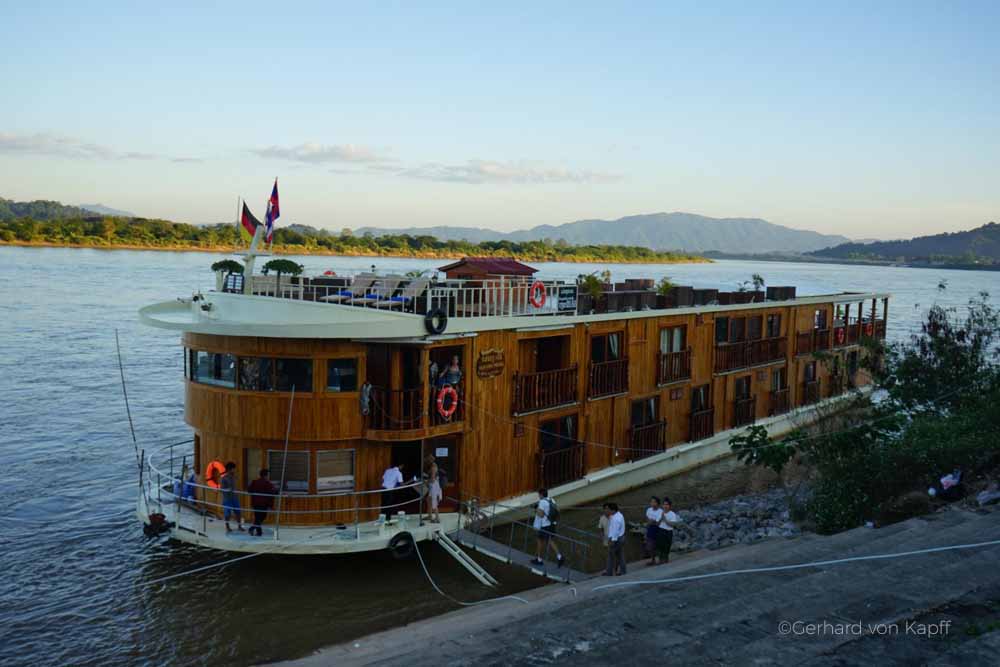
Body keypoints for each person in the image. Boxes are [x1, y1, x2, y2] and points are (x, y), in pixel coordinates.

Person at [531, 489, 564, 567]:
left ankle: (559, 557)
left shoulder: (542, 502)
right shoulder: (551, 499)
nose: (538, 496)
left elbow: (541, 515)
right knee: (543, 540)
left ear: (541, 494)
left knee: (547, 541)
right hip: (552, 523)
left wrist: (536, 509)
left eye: (539, 494)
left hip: (545, 525)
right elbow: (557, 510)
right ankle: (539, 559)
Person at [247, 468, 276, 537]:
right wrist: (271, 505)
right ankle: (256, 531)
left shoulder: (255, 482)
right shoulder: (267, 483)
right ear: (266, 475)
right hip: (263, 504)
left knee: (258, 517)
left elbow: (249, 490)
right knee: (262, 517)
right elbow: (272, 492)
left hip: (256, 503)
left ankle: (255, 530)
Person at [220, 461, 245, 533]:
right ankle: (227, 527)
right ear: (229, 469)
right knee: (228, 514)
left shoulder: (234, 477)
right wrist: (227, 490)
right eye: (233, 468)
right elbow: (221, 489)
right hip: (227, 498)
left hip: (235, 497)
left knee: (238, 512)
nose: (235, 470)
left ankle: (239, 526)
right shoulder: (224, 478)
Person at [657, 496, 683, 564]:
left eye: (667, 505)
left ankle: (666, 558)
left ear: (670, 506)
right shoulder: (660, 512)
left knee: (667, 545)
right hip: (661, 530)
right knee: (660, 545)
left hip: (668, 531)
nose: (665, 506)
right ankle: (661, 559)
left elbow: (673, 524)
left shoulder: (672, 514)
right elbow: (657, 523)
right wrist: (661, 518)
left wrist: (665, 520)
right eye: (664, 504)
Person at [604, 502, 626, 576]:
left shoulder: (616, 519)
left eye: (608, 509)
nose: (607, 511)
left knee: (611, 556)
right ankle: (621, 570)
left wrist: (612, 541)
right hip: (621, 537)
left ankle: (609, 571)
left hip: (616, 539)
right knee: (620, 555)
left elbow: (615, 532)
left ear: (612, 510)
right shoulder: (619, 515)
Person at [645, 496, 664, 565]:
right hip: (650, 529)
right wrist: (652, 521)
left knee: (658, 545)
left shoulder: (661, 511)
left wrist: (652, 521)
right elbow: (648, 519)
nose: (652, 503)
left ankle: (661, 559)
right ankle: (653, 560)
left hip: (658, 529)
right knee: (650, 545)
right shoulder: (649, 510)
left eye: (654, 502)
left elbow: (658, 522)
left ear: (657, 503)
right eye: (651, 502)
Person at [425, 456, 442, 523]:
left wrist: (426, 481)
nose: (427, 461)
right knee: (428, 500)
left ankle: (437, 518)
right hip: (433, 485)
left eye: (428, 460)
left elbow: (432, 479)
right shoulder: (431, 466)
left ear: (431, 460)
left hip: (434, 486)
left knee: (433, 502)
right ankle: (430, 515)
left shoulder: (433, 467)